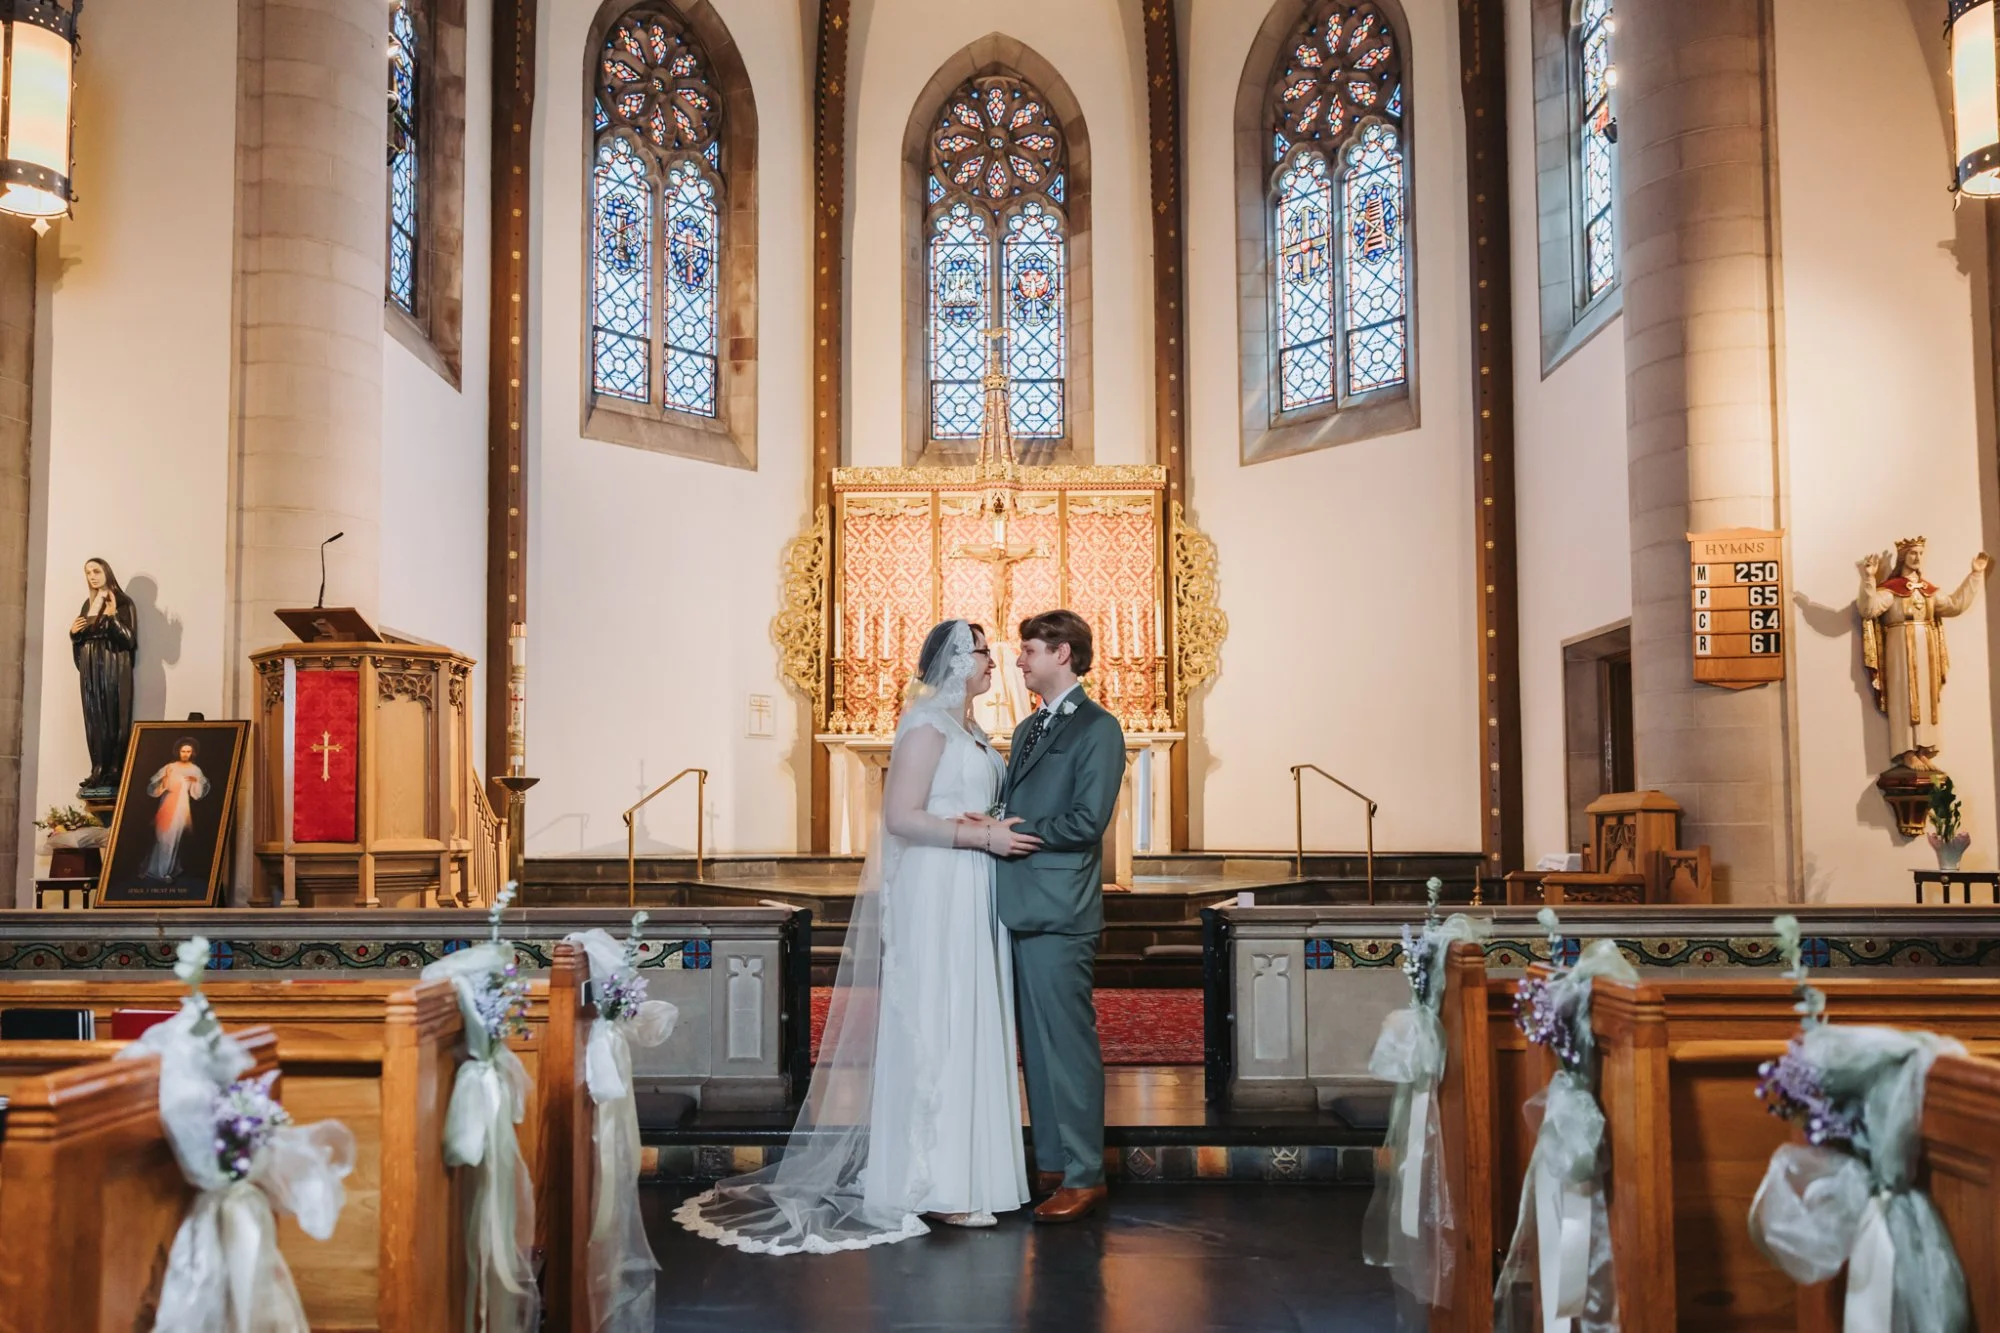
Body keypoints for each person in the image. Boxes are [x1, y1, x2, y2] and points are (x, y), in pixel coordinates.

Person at [676, 619, 1039, 1253]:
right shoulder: (927, 726)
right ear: (955, 661)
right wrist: (983, 836)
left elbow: (952, 801)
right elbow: (900, 818)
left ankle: (970, 1175)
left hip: (971, 883)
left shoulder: (973, 730)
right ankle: (933, 1184)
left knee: (968, 1018)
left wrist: (989, 823)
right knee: (939, 1019)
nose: (992, 663)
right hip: (939, 885)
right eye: (983, 652)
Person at [978, 609, 1126, 1223]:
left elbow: (1087, 823)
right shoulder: (1031, 724)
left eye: (1029, 650)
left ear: (1062, 653)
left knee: (1065, 1045)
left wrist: (1009, 832)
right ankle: (1054, 1161)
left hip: (1061, 908)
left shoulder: (1098, 728)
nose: (1019, 661)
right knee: (1034, 1047)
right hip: (1023, 905)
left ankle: (1086, 1173)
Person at [1859, 537, 1991, 770]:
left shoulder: (1928, 591)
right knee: (1904, 696)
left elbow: (1954, 605)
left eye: (1920, 553)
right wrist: (1869, 578)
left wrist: (1976, 575)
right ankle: (1906, 749)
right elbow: (1869, 609)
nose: (1917, 558)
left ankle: (1924, 749)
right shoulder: (1892, 590)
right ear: (1903, 558)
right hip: (1899, 645)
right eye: (1912, 553)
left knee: (1926, 696)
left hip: (1926, 646)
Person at [69, 557, 137, 791]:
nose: (92, 577)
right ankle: (98, 768)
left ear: (107, 572)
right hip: (90, 666)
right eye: (88, 573)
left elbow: (128, 639)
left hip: (112, 664)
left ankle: (115, 770)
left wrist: (112, 616)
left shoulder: (123, 602)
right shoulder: (87, 605)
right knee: (94, 717)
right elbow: (81, 638)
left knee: (112, 715)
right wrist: (74, 634)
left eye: (96, 571)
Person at [142, 737, 210, 884]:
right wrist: (165, 783)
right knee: (163, 837)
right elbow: (154, 786)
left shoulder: (195, 770)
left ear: (193, 753)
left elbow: (197, 793)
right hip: (167, 804)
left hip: (182, 808)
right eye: (183, 751)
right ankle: (158, 871)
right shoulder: (170, 767)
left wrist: (195, 782)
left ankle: (166, 871)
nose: (185, 754)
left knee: (174, 839)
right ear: (178, 751)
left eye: (188, 751)